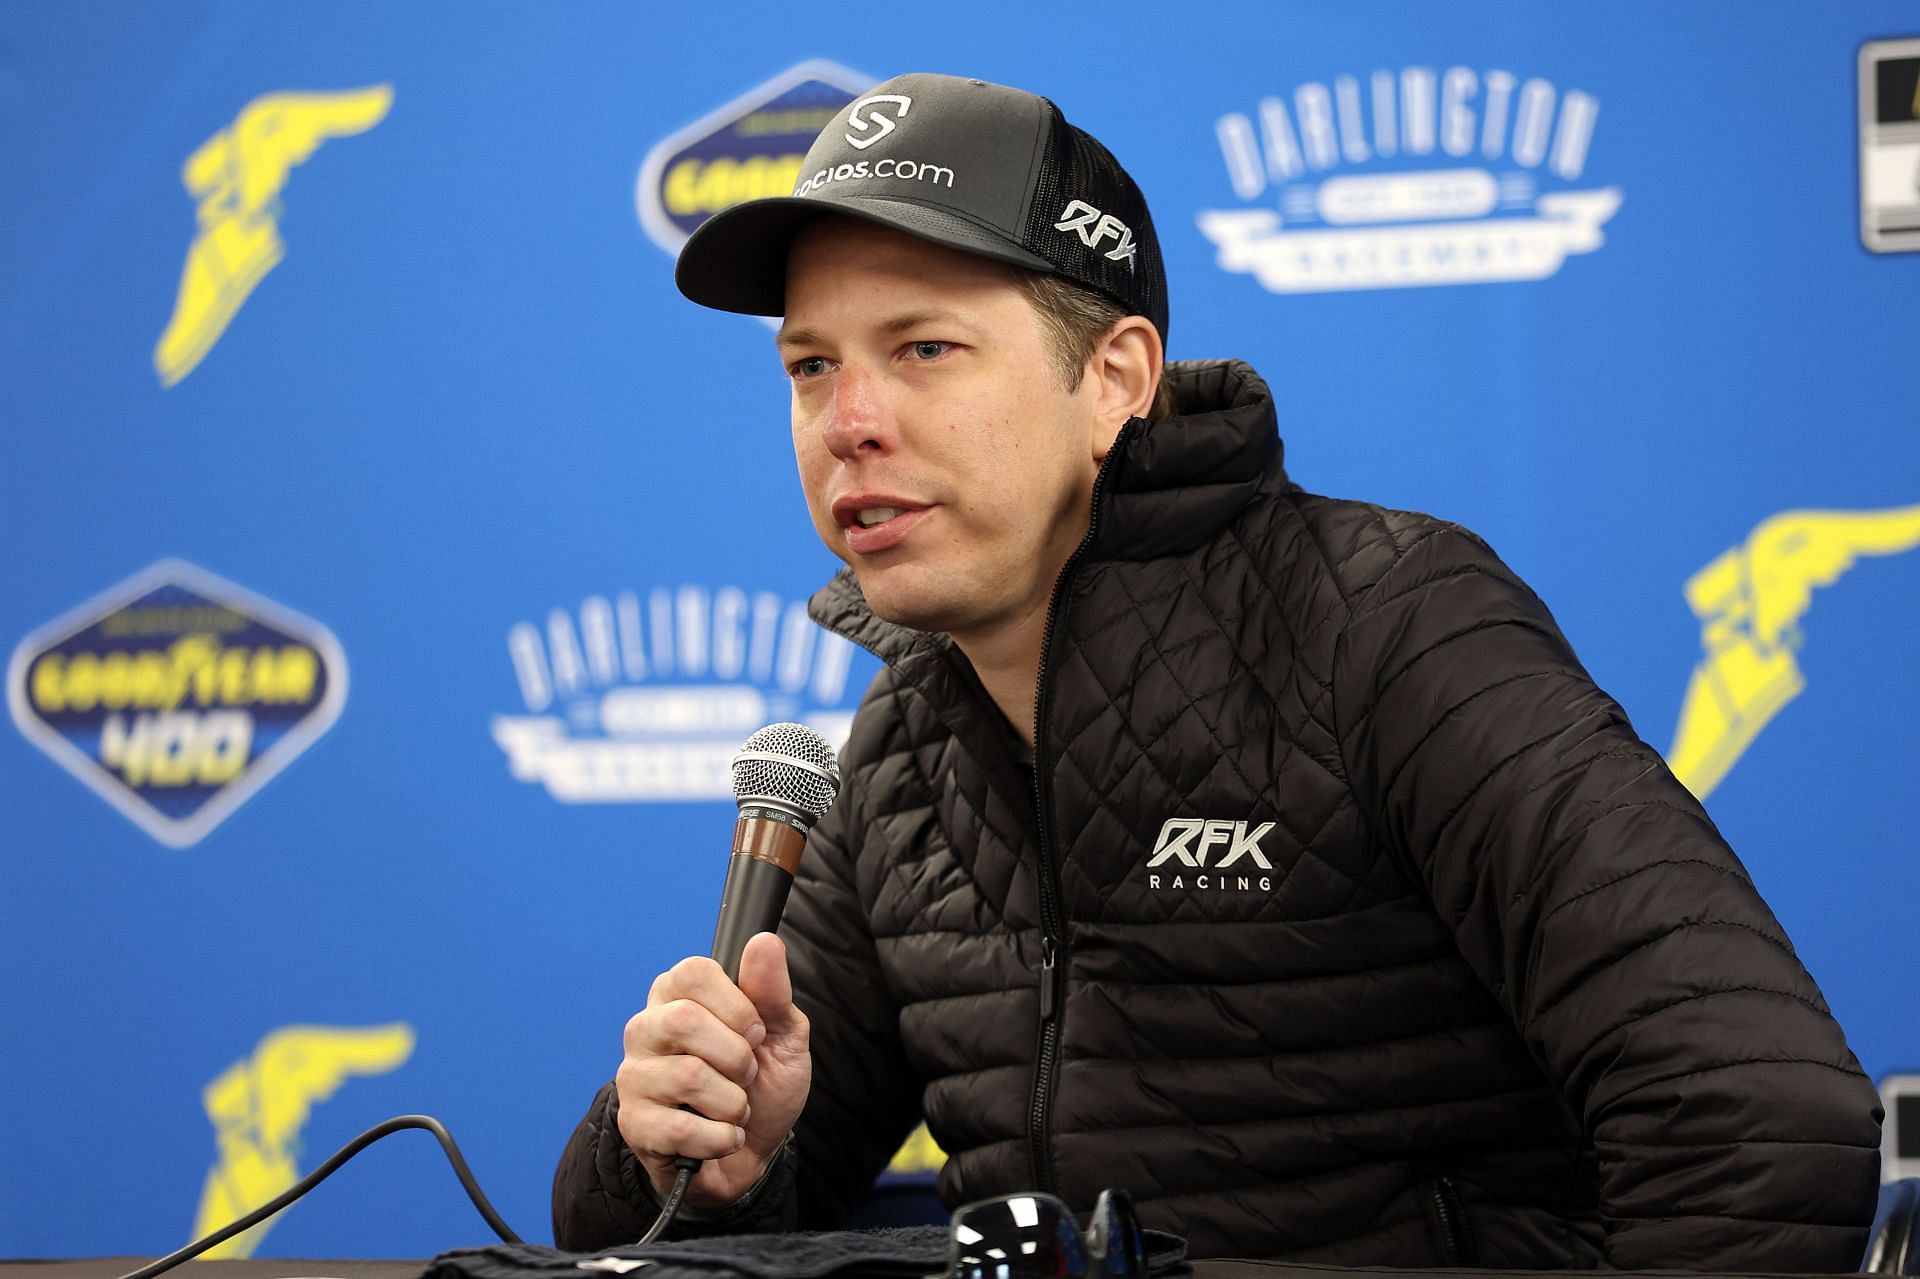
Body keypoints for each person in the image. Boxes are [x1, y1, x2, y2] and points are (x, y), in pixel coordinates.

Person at [553, 72, 1883, 1268]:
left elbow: (1765, 1124)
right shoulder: (902, 748)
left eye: (925, 351)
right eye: (809, 366)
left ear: (1117, 379)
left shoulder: (1389, 625)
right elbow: (663, 1238)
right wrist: (690, 1153)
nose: (849, 424)